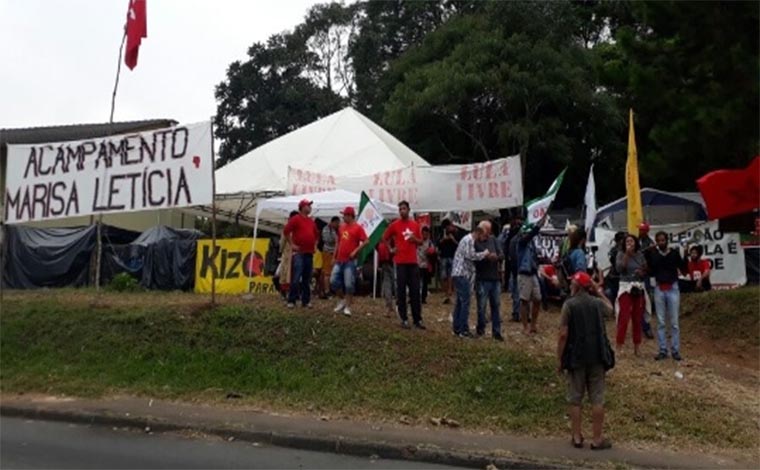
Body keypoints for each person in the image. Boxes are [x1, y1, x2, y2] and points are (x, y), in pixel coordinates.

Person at [557, 271, 614, 451]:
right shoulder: (597, 303)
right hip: (597, 356)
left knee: (575, 398)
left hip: (576, 357)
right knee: (597, 398)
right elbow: (611, 310)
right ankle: (597, 439)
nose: (570, 285)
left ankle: (576, 436)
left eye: (572, 283)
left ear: (578, 286)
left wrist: (559, 358)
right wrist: (598, 291)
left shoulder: (569, 305)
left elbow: (563, 334)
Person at [383, 201, 425, 330]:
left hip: (413, 262)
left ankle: (417, 319)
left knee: (415, 291)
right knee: (401, 292)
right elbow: (384, 237)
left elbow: (421, 241)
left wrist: (414, 240)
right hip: (400, 262)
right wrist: (390, 249)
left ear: (408, 210)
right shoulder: (394, 225)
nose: (402, 211)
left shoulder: (415, 225)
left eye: (404, 209)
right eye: (400, 209)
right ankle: (404, 318)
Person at [648, 231, 684, 361]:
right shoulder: (654, 255)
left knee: (674, 322)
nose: (661, 242)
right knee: (661, 321)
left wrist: (684, 254)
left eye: (663, 240)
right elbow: (650, 269)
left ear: (667, 240)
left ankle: (675, 350)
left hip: (672, 287)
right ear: (656, 242)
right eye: (659, 240)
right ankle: (663, 349)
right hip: (659, 287)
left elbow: (683, 268)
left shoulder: (674, 253)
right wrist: (649, 253)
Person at [451, 225, 492, 337]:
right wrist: (484, 254)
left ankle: (457, 327)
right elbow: (471, 256)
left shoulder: (466, 239)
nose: (483, 239)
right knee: (465, 302)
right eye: (483, 236)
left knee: (460, 302)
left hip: (459, 273)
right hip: (462, 273)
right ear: (478, 233)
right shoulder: (469, 240)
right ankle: (463, 329)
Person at [331, 207, 368, 317]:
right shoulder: (341, 227)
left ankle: (348, 306)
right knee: (333, 281)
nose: (343, 217)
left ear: (350, 216)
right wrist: (334, 256)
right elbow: (338, 242)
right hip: (339, 259)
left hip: (350, 261)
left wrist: (355, 251)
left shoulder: (358, 228)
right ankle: (342, 300)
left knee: (349, 284)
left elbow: (366, 241)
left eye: (345, 215)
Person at [283, 200, 319, 309]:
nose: (310, 207)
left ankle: (306, 301)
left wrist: (315, 245)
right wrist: (292, 244)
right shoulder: (296, 219)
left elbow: (316, 235)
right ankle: (292, 300)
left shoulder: (311, 221)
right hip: (299, 252)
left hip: (309, 252)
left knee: (307, 278)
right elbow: (286, 231)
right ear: (302, 207)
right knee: (296, 276)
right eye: (308, 205)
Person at [615, 234, 647, 355]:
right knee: (624, 316)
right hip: (625, 287)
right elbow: (619, 269)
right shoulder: (620, 254)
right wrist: (627, 255)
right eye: (627, 241)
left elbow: (646, 269)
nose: (629, 243)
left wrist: (641, 271)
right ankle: (619, 345)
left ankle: (637, 346)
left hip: (638, 286)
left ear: (636, 243)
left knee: (637, 318)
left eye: (631, 241)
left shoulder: (640, 255)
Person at [474, 221, 504, 341]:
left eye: (489, 230)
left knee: (496, 305)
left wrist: (496, 257)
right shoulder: (475, 242)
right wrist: (485, 257)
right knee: (481, 306)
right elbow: (474, 257)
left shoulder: (493, 240)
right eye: (487, 230)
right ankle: (480, 329)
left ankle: (496, 332)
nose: (488, 233)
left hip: (494, 278)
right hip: (482, 278)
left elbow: (502, 254)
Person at [516, 218, 545, 335]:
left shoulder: (532, 244)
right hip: (524, 274)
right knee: (524, 301)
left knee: (538, 299)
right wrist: (537, 227)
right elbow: (529, 236)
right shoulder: (521, 242)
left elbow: (535, 258)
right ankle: (525, 326)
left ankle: (533, 324)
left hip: (533, 273)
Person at [502, 214, 524, 322]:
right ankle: (519, 313)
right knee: (519, 292)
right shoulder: (517, 241)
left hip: (514, 268)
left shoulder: (511, 239)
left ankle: (516, 313)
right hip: (519, 269)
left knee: (516, 291)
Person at [638, 222, 656, 339]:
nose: (640, 231)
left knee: (645, 301)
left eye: (642, 230)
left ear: (646, 231)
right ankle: (640, 325)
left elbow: (653, 262)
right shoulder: (635, 241)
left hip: (645, 275)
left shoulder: (650, 244)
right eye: (639, 229)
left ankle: (646, 327)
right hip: (633, 274)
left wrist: (652, 251)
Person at [437, 219, 459, 304]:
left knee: (451, 275)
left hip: (453, 256)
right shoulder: (441, 234)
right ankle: (446, 292)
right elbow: (437, 244)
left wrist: (452, 239)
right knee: (443, 276)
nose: (450, 227)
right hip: (443, 257)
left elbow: (459, 245)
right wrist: (443, 240)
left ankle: (450, 292)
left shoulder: (456, 233)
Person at [320, 217, 340, 299]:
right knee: (327, 273)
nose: (338, 225)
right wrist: (336, 238)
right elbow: (327, 240)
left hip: (336, 253)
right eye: (337, 223)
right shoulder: (326, 229)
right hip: (328, 252)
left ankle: (333, 289)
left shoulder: (337, 229)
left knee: (334, 273)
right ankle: (326, 290)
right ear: (333, 222)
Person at [377, 240, 395, 317]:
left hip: (388, 263)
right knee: (390, 286)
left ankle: (390, 307)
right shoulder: (390, 238)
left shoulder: (382, 239)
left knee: (388, 286)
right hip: (390, 263)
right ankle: (390, 306)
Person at [418, 226, 435, 304]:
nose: (425, 236)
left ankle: (423, 298)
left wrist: (431, 253)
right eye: (423, 234)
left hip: (425, 265)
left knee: (424, 283)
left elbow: (433, 252)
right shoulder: (417, 241)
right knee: (416, 282)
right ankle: (414, 297)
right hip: (417, 264)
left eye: (426, 234)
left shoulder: (430, 243)